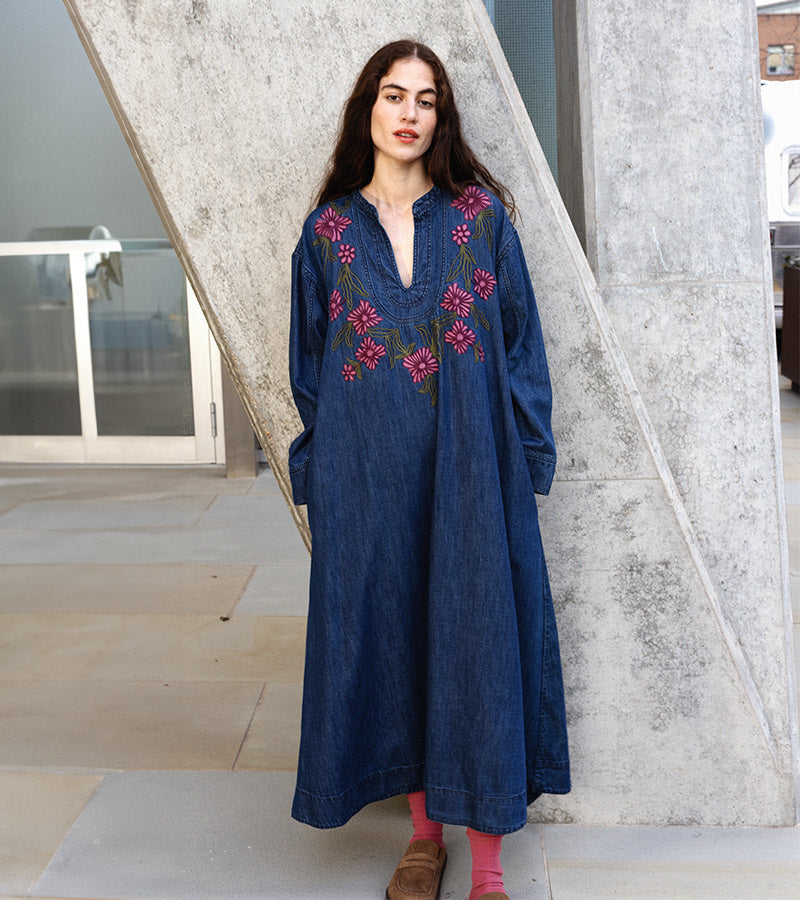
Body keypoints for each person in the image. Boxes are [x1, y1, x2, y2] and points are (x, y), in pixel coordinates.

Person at [288, 39, 570, 900]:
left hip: (473, 475)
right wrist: (326, 476)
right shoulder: (328, 235)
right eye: (393, 94)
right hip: (368, 478)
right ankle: (422, 842)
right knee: (395, 642)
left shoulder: (480, 220)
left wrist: (526, 458)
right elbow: (309, 371)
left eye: (426, 99)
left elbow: (521, 347)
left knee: (476, 644)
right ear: (367, 109)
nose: (408, 113)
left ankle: (488, 870)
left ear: (440, 117)